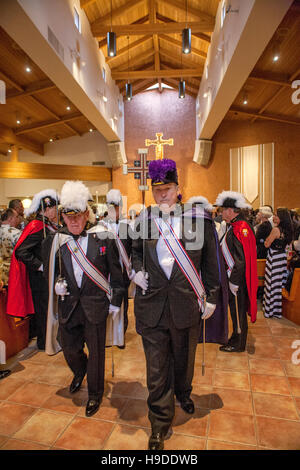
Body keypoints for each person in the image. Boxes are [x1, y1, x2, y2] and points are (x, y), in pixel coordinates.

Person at [132, 159, 220, 450]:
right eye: (157, 191)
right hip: (152, 305)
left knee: (184, 359)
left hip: (186, 303)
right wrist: (135, 271)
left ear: (178, 188)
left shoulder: (199, 220)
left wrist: (212, 297)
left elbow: (211, 263)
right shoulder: (143, 220)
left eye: (167, 189)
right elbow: (134, 252)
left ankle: (184, 391)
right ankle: (159, 422)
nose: (162, 196)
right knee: (156, 368)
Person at [42, 181, 124, 417]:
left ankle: (95, 394)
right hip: (69, 306)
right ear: (63, 218)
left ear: (87, 214)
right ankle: (80, 371)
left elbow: (116, 274)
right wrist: (56, 286)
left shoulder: (104, 237)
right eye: (69, 218)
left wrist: (116, 301)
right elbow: (53, 271)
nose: (74, 222)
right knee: (69, 349)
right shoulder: (58, 241)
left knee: (97, 352)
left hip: (96, 306)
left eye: (78, 216)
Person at [6, 189, 59, 350]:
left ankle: (49, 340)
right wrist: (40, 265)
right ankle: (44, 342)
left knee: (48, 309)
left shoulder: (45, 225)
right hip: (39, 277)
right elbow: (21, 251)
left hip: (46, 276)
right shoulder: (37, 226)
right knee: (43, 310)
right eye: (54, 208)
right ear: (47, 209)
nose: (56, 211)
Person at [215, 191, 258, 353]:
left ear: (232, 210)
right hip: (234, 278)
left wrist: (233, 281)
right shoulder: (236, 226)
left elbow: (241, 260)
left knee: (238, 311)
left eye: (224, 209)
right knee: (234, 311)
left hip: (237, 280)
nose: (222, 212)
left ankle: (239, 343)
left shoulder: (240, 228)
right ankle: (235, 337)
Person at [103, 189, 134, 347]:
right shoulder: (101, 227)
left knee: (122, 304)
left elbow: (134, 249)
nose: (113, 210)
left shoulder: (128, 226)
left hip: (122, 272)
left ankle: (120, 336)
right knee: (106, 303)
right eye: (110, 207)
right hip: (105, 273)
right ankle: (107, 336)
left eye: (116, 207)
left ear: (121, 208)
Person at [263, 207, 293, 318]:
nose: (274, 217)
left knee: (271, 283)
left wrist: (266, 240)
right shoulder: (288, 230)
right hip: (282, 257)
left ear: (281, 218)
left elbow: (267, 244)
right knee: (278, 284)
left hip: (274, 257)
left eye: (276, 215)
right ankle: (276, 311)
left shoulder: (276, 230)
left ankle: (269, 311)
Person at [0, 209, 21, 287]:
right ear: (10, 219)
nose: (18, 219)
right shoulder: (16, 233)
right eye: (16, 217)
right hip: (13, 272)